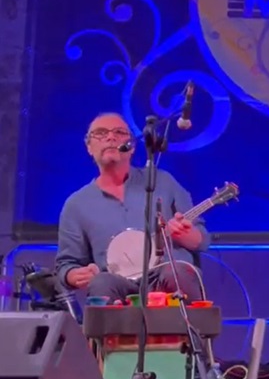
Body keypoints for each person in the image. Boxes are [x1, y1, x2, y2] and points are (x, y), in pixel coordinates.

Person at [55, 112, 210, 302]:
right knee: (101, 283)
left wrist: (188, 236)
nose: (110, 137)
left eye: (119, 132)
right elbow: (66, 264)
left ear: (132, 147)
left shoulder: (164, 182)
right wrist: (72, 275)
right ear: (89, 147)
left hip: (167, 277)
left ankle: (185, 322)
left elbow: (202, 240)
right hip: (118, 284)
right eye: (101, 133)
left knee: (176, 271)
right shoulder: (76, 205)